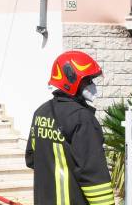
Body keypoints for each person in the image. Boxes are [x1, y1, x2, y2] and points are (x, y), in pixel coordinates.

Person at [25, 50, 115, 205]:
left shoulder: (40, 112)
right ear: (72, 80)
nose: (92, 86)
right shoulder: (82, 119)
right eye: (88, 81)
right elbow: (93, 174)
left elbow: (31, 159)